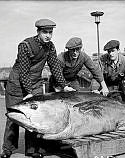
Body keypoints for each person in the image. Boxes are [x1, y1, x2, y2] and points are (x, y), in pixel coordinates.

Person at [0, 19, 76, 158]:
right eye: (45, 32)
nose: (48, 35)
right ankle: (7, 150)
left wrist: (64, 85)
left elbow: (55, 67)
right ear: (38, 32)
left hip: (34, 84)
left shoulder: (50, 47)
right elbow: (24, 71)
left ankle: (32, 150)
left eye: (50, 32)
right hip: (16, 85)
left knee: (35, 118)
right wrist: (28, 92)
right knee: (14, 118)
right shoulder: (25, 45)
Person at [100, 40, 125, 112]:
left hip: (119, 88)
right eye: (109, 52)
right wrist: (95, 89)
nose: (111, 54)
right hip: (105, 88)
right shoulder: (102, 60)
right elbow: (97, 75)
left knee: (124, 110)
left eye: (113, 51)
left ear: (118, 50)